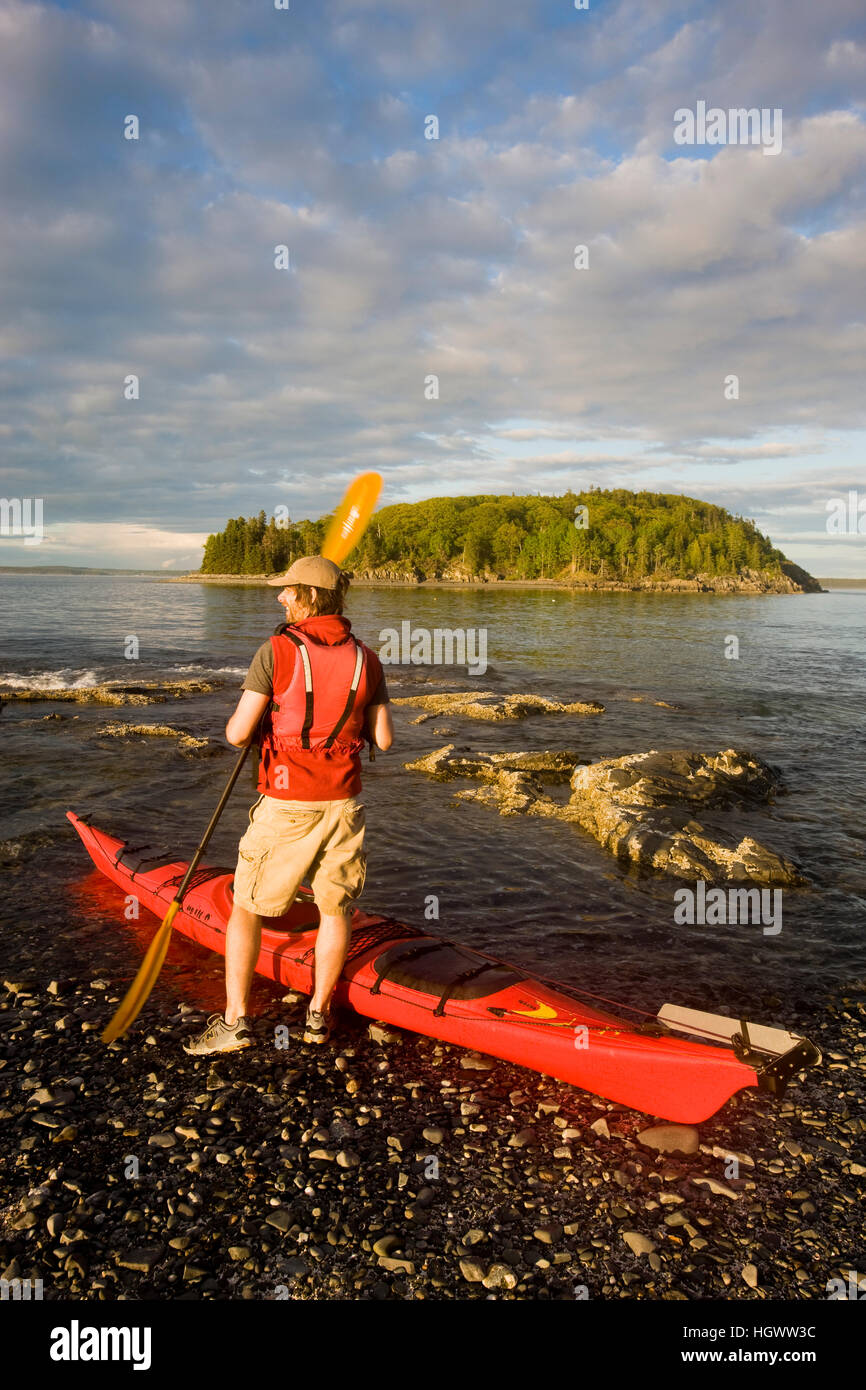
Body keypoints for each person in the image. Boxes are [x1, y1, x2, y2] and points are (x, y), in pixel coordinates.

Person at [185, 555, 393, 1055]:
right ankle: (318, 1016)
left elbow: (236, 733)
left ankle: (236, 1023)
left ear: (310, 596)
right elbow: (382, 739)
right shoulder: (368, 657)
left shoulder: (276, 650)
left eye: (288, 590)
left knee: (248, 907)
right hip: (344, 804)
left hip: (286, 803)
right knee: (335, 908)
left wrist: (268, 727)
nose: (280, 597)